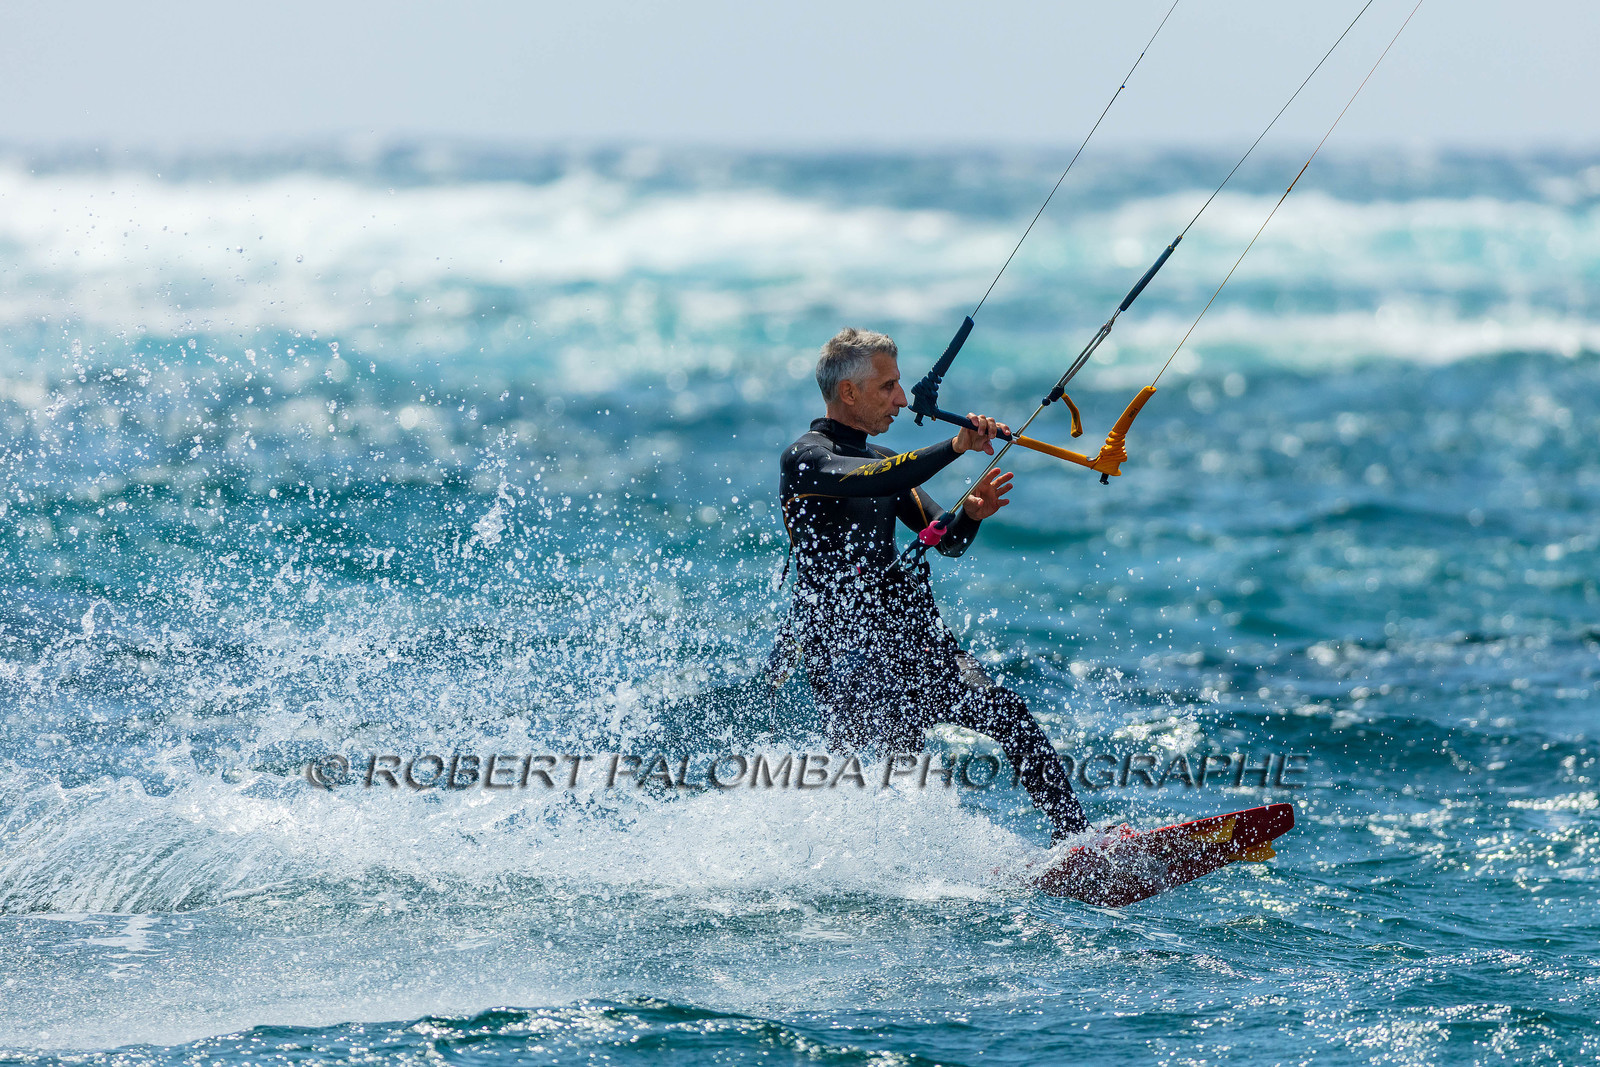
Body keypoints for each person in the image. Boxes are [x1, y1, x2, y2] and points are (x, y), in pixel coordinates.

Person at [778, 327, 1089, 841]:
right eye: (888, 387)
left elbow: (945, 541)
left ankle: (1079, 845)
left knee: (1008, 715)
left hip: (910, 645)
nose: (901, 398)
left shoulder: (881, 461)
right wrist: (957, 445)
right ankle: (869, 865)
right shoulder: (806, 460)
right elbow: (871, 480)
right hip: (848, 656)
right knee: (889, 778)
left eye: (899, 385)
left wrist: (969, 515)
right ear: (848, 392)